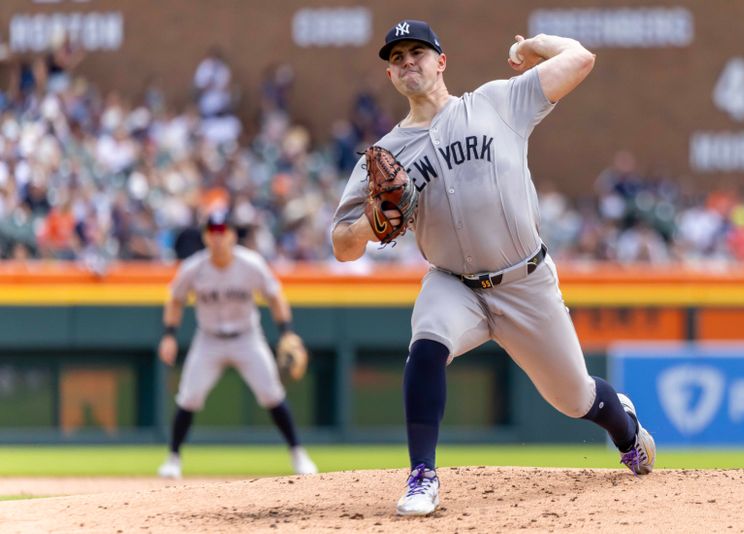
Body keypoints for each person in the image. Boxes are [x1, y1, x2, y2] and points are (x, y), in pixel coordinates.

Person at [331, 20, 655, 516]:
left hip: (525, 281)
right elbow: (342, 245)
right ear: (391, 76)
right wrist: (369, 225)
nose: (407, 62)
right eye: (396, 58)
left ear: (441, 62)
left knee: (575, 398)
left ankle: (626, 428)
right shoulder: (385, 154)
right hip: (453, 283)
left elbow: (581, 60)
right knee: (428, 339)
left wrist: (533, 46)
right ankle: (422, 474)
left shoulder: (496, 103)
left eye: (417, 52)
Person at [156, 210, 317, 478]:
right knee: (189, 397)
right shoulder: (193, 268)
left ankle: (298, 453)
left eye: (223, 231)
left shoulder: (251, 264)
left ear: (232, 235)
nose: (218, 237)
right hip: (208, 339)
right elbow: (175, 299)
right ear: (206, 236)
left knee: (272, 395)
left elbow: (275, 297)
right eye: (213, 232)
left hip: (246, 337)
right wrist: (169, 334)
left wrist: (286, 332)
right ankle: (173, 458)